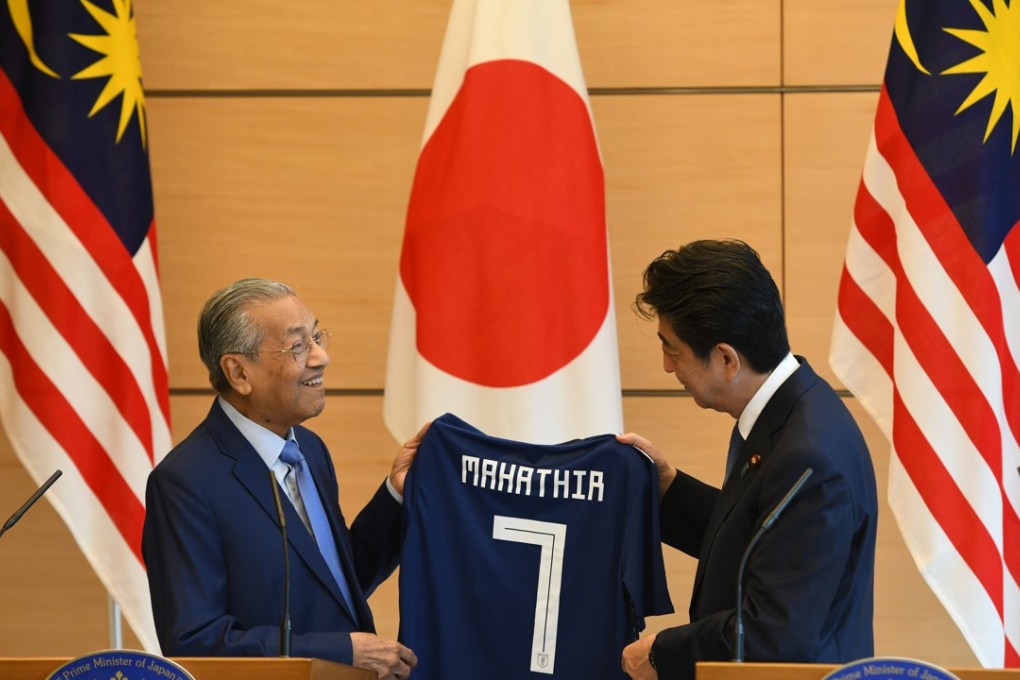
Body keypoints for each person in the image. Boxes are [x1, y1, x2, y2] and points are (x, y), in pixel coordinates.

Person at [618, 240, 878, 680]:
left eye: (673, 349)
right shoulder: (790, 411)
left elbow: (774, 635)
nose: (666, 366)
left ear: (725, 359)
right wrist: (667, 489)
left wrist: (662, 651)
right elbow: (760, 545)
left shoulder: (809, 457)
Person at [142, 278, 426, 679]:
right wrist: (338, 650)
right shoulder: (184, 483)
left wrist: (396, 495)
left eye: (316, 336)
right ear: (239, 372)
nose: (321, 357)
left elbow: (332, 582)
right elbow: (194, 642)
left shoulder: (309, 449)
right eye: (298, 346)